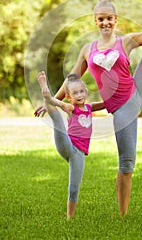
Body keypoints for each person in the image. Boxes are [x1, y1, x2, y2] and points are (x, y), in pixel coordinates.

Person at [35, 0, 142, 217]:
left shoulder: (125, 41)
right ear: (95, 21)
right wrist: (53, 99)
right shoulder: (87, 50)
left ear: (115, 19)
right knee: (126, 163)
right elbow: (72, 78)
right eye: (100, 19)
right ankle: (123, 217)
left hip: (134, 94)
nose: (105, 23)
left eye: (109, 18)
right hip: (118, 107)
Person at [36, 71, 104, 219]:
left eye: (81, 91)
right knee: (58, 120)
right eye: (75, 93)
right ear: (69, 97)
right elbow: (59, 103)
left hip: (78, 154)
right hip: (67, 145)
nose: (79, 95)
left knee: (74, 189)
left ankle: (69, 218)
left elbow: (106, 104)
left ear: (85, 92)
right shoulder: (71, 108)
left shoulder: (90, 107)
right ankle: (45, 90)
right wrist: (50, 99)